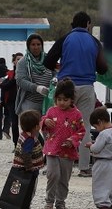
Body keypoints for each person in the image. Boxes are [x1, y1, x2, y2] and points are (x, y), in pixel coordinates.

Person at [44, 12, 108, 178]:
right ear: (88, 24)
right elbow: (103, 68)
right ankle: (84, 167)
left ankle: (56, 160)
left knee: (59, 122)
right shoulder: (94, 42)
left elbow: (48, 61)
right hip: (86, 86)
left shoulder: (65, 39)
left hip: (66, 86)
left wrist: (60, 67)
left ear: (72, 24)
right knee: (84, 125)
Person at [41, 79, 86, 209]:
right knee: (52, 174)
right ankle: (49, 201)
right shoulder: (51, 111)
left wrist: (72, 140)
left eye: (65, 99)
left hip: (68, 153)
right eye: (59, 99)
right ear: (55, 98)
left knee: (64, 179)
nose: (62, 102)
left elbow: (82, 131)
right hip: (52, 149)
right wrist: (45, 122)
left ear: (72, 99)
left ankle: (60, 202)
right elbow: (43, 121)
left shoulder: (77, 114)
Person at [85, 107, 112, 209]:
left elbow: (96, 148)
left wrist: (90, 146)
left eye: (96, 127)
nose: (96, 129)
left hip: (102, 163)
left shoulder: (104, 134)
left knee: (101, 185)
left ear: (100, 122)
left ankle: (103, 204)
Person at [9, 109, 44, 204]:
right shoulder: (29, 139)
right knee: (27, 191)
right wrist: (30, 168)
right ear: (36, 126)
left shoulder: (23, 135)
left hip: (19, 168)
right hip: (27, 171)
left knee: (18, 190)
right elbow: (26, 154)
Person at [15, 34, 54, 118]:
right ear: (28, 46)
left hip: (48, 102)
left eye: (38, 44)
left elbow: (56, 74)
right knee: (31, 129)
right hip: (30, 102)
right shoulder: (23, 62)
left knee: (49, 129)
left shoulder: (49, 59)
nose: (36, 47)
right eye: (33, 44)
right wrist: (37, 88)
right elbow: (20, 80)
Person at [0, 52, 23, 146]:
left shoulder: (28, 73)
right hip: (12, 101)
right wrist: (14, 79)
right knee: (14, 122)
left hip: (25, 100)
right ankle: (16, 144)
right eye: (18, 59)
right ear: (14, 62)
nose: (20, 61)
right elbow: (4, 85)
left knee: (28, 122)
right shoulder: (10, 74)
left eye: (22, 59)